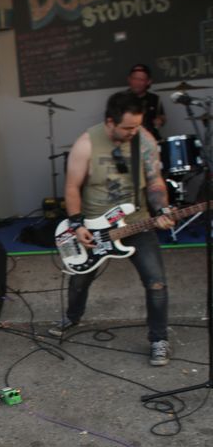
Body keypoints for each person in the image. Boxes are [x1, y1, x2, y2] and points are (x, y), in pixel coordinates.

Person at [49, 91, 174, 366]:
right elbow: (72, 187)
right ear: (110, 122)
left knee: (156, 282)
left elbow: (155, 181)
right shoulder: (86, 144)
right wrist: (77, 224)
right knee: (79, 280)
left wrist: (163, 209)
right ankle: (72, 317)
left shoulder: (144, 140)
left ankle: (159, 339)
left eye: (137, 126)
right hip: (94, 227)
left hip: (137, 223)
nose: (133, 132)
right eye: (127, 127)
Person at [126, 63, 166, 141]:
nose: (137, 83)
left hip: (152, 139)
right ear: (129, 79)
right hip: (128, 141)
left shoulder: (155, 98)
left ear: (148, 82)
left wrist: (161, 120)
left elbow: (162, 117)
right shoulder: (120, 99)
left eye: (141, 80)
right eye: (134, 79)